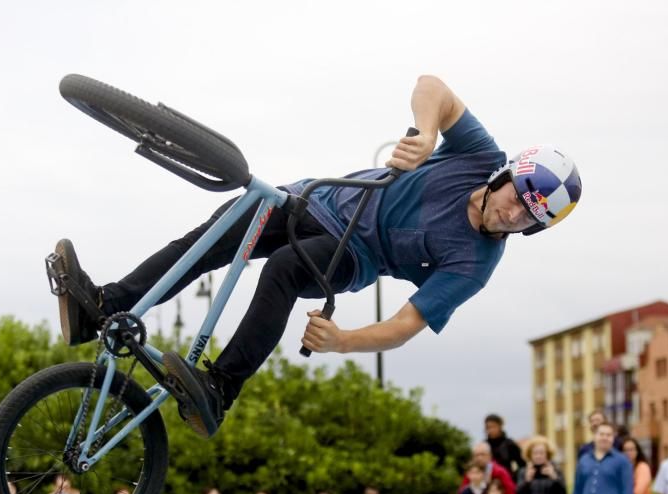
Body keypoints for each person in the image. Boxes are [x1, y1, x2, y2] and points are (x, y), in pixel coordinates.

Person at [51, 75, 582, 439]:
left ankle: (219, 388)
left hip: (351, 254)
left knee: (283, 269)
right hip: (311, 197)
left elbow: (404, 325)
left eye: (528, 220)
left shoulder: (475, 264)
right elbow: (432, 87)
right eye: (518, 199)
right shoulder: (477, 155)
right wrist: (426, 133)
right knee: (213, 236)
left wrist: (343, 342)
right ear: (506, 176)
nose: (514, 216)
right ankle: (102, 304)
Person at [483, 414, 523, 481]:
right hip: (488, 481)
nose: (491, 430)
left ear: (500, 426)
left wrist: (513, 476)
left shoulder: (510, 444)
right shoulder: (484, 445)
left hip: (507, 480)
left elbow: (521, 464)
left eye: (493, 426)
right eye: (488, 427)